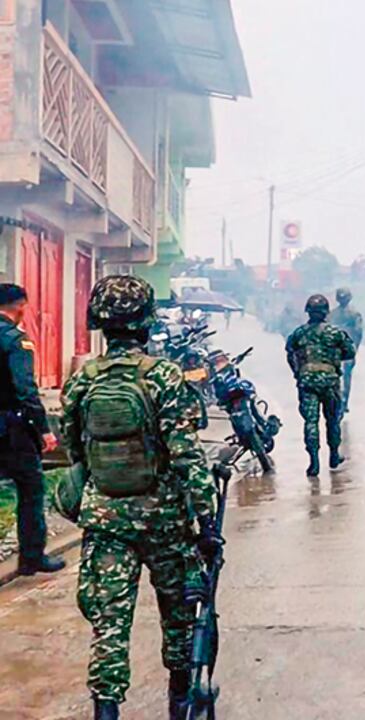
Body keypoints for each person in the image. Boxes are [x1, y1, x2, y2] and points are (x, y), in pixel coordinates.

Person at [60, 276, 221, 720]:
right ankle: (180, 703)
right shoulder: (164, 376)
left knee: (109, 627)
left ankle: (106, 710)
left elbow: (74, 448)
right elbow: (187, 455)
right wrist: (207, 524)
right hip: (163, 521)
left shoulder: (83, 379)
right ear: (147, 322)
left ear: (99, 322)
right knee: (180, 618)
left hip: (106, 518)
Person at [0, 283, 64, 576]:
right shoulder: (15, 340)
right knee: (30, 489)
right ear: (20, 306)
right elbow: (25, 389)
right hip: (11, 429)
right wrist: (44, 430)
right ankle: (31, 557)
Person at [285, 294, 355, 477]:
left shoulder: (298, 333)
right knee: (332, 420)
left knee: (310, 421)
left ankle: (313, 462)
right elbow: (350, 352)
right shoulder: (335, 332)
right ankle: (333, 455)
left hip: (307, 382)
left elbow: (289, 353)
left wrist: (298, 372)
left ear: (308, 312)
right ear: (326, 312)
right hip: (330, 381)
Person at [329, 287, 364, 415]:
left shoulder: (332, 314)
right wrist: (355, 348)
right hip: (348, 349)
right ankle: (344, 402)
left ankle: (337, 401)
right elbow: (359, 332)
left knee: (334, 376)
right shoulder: (355, 314)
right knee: (346, 377)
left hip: (334, 351)